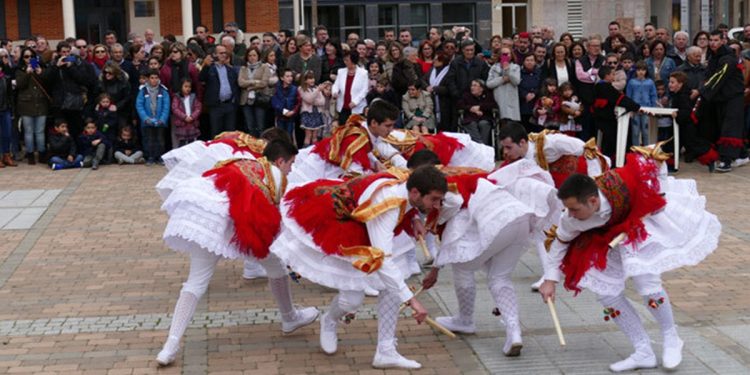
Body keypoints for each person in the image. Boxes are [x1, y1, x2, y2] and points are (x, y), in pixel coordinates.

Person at [539, 151, 721, 372]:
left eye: (575, 208)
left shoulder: (621, 182)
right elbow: (559, 244)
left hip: (637, 229)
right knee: (607, 294)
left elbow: (654, 170)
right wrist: (550, 280)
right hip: (605, 240)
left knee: (647, 286)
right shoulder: (571, 220)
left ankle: (671, 337)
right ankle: (643, 351)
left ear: (593, 201)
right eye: (567, 208)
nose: (570, 214)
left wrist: (656, 198)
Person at [156, 139, 319, 366]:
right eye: (291, 164)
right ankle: (289, 317)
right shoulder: (276, 177)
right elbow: (272, 220)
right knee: (276, 266)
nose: (291, 169)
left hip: (206, 219)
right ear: (280, 161)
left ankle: (170, 345)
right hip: (228, 224)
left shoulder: (246, 162)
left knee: (195, 283)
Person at [271, 165, 447, 369]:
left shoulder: (410, 184)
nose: (436, 205)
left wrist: (414, 217)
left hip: (365, 218)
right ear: (416, 192)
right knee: (351, 300)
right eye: (433, 199)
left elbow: (407, 200)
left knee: (391, 285)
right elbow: (382, 260)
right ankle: (329, 320)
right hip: (342, 224)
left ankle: (386, 350)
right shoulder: (387, 206)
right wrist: (412, 301)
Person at [287, 100, 406, 185]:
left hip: (327, 164)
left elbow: (369, 149)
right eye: (388, 126)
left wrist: (375, 163)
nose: (391, 130)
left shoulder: (366, 130)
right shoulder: (357, 140)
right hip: (318, 168)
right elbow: (354, 176)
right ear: (374, 123)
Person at [700, 30, 746, 172]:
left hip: (734, 98)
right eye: (711, 40)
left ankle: (726, 160)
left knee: (730, 128)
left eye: (716, 40)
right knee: (723, 126)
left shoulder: (728, 58)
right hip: (721, 98)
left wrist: (702, 91)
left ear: (722, 41)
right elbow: (708, 74)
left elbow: (718, 76)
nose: (713, 43)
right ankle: (742, 154)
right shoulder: (713, 56)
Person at [593, 65, 646, 159]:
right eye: (613, 74)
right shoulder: (606, 87)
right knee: (611, 139)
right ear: (607, 76)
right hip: (605, 118)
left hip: (600, 117)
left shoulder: (598, 86)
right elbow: (620, 99)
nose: (614, 77)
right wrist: (636, 106)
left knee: (608, 138)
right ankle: (610, 159)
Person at [14, 47, 48, 165]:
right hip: (26, 104)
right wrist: (27, 73)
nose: (29, 59)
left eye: (31, 56)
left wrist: (41, 73)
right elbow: (19, 85)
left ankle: (42, 153)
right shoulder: (19, 70)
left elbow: (48, 82)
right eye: (26, 57)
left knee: (40, 131)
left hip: (41, 103)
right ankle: (30, 154)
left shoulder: (41, 68)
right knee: (28, 132)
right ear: (22, 58)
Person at [200, 45, 239, 138]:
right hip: (216, 106)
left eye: (225, 53)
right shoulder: (210, 68)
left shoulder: (230, 69)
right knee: (216, 133)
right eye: (221, 53)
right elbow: (201, 78)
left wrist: (234, 100)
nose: (224, 55)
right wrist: (205, 66)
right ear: (215, 54)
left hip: (229, 105)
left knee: (230, 133)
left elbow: (235, 85)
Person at [136, 69, 170, 164]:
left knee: (160, 139)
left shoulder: (163, 91)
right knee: (149, 139)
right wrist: (145, 118)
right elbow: (139, 105)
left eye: (156, 78)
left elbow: (166, 106)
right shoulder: (142, 91)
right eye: (152, 78)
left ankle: (160, 156)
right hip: (147, 121)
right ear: (148, 79)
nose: (154, 80)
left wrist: (163, 119)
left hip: (160, 121)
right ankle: (150, 157)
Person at [238, 47, 272, 137]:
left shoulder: (264, 67)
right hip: (246, 100)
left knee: (260, 126)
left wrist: (249, 86)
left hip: (259, 99)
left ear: (258, 56)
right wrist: (254, 82)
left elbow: (264, 83)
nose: (252, 57)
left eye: (254, 55)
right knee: (249, 126)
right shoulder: (243, 68)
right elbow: (241, 83)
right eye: (249, 55)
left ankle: (261, 145)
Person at [331, 50, 369, 123]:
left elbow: (364, 90)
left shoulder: (363, 73)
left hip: (357, 108)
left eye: (347, 60)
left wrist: (355, 102)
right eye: (344, 60)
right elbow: (336, 85)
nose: (345, 62)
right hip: (343, 106)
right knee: (342, 129)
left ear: (353, 60)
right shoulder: (341, 71)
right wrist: (335, 92)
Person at [626, 61, 658, 146]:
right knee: (635, 131)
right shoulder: (631, 82)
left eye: (643, 70)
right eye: (639, 70)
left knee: (646, 131)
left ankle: (646, 149)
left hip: (647, 109)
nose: (641, 72)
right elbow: (628, 96)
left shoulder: (650, 82)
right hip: (635, 109)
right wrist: (629, 109)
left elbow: (653, 95)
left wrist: (653, 108)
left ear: (646, 71)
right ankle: (635, 149)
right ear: (635, 71)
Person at [486, 46, 521, 122]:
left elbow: (517, 81)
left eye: (507, 54)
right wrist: (502, 79)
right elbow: (489, 84)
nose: (505, 56)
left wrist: (508, 71)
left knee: (511, 123)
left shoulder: (516, 67)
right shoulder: (494, 67)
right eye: (503, 54)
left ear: (511, 55)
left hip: (511, 100)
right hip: (499, 98)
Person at [458, 79, 496, 145]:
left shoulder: (488, 95)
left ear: (481, 88)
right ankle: (481, 145)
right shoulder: (467, 95)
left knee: (483, 124)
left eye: (475, 85)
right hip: (470, 119)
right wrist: (471, 108)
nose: (472, 87)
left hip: (484, 118)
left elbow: (493, 105)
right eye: (472, 85)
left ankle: (480, 145)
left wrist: (480, 107)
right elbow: (460, 105)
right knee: (471, 124)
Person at [171, 78, 202, 147]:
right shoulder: (177, 97)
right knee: (182, 143)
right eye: (185, 86)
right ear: (181, 87)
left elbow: (198, 108)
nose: (188, 89)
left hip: (192, 123)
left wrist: (192, 117)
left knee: (192, 143)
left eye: (189, 87)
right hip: (182, 124)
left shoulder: (193, 97)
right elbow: (175, 109)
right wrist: (184, 117)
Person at [298, 70, 327, 146]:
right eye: (310, 78)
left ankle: (314, 153)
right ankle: (305, 153)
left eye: (313, 78)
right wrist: (317, 92)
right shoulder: (301, 89)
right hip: (307, 114)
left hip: (316, 113)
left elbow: (322, 101)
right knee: (308, 136)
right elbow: (308, 99)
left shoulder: (316, 88)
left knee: (315, 136)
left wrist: (313, 101)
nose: (312, 80)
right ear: (305, 80)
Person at [271, 68, 300, 142]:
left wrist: (293, 111)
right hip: (280, 116)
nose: (290, 78)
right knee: (280, 136)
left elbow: (298, 102)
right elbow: (275, 102)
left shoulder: (295, 89)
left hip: (291, 117)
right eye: (287, 76)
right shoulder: (277, 89)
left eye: (291, 76)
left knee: (289, 135)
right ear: (282, 78)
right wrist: (284, 111)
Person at [519, 54, 542, 131]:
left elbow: (542, 85)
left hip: (537, 106)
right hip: (523, 105)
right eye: (527, 60)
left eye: (531, 60)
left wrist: (534, 93)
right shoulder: (519, 73)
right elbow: (516, 86)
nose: (529, 62)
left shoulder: (540, 72)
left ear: (535, 62)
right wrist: (525, 94)